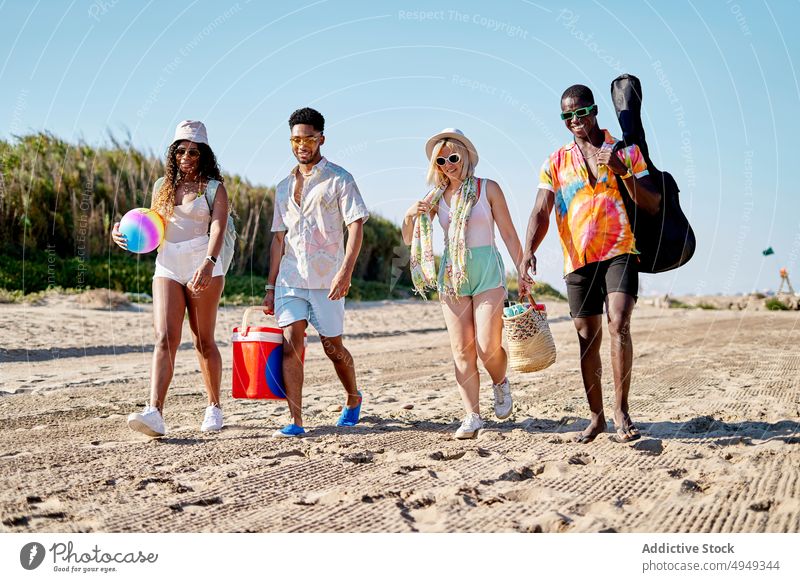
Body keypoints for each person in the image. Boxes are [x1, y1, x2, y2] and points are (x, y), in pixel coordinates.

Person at [520, 85, 661, 444]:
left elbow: (652, 203)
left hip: (619, 250)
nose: (575, 121)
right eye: (567, 116)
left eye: (580, 113)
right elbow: (541, 209)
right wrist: (527, 250)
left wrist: (622, 171)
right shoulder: (555, 161)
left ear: (595, 110)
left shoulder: (625, 151)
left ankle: (621, 411)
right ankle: (596, 417)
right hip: (578, 257)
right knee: (587, 338)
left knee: (619, 323)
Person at [402, 128, 528, 439]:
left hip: (487, 271)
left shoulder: (489, 189)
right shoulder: (435, 199)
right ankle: (472, 415)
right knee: (461, 349)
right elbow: (409, 239)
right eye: (441, 160)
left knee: (486, 348)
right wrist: (408, 216)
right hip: (452, 277)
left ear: (467, 156)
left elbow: (509, 234)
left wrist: (522, 270)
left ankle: (500, 382)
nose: (448, 165)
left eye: (453, 157)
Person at [112, 120, 229, 437]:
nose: (186, 156)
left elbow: (217, 227)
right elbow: (151, 224)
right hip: (167, 264)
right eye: (180, 150)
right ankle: (154, 412)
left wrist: (208, 263)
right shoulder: (162, 186)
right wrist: (121, 230)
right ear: (173, 153)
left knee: (203, 339)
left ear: (203, 153)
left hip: (203, 264)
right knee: (165, 337)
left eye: (193, 151)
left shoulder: (214, 188)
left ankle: (214, 406)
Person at [262, 107, 369, 438]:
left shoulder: (340, 179)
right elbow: (279, 239)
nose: (302, 145)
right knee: (292, 340)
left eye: (308, 138)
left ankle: (353, 397)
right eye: (295, 139)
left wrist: (346, 272)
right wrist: (270, 285)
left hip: (328, 281)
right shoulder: (282, 187)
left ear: (321, 138)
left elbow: (356, 227)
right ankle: (296, 419)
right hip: (291, 280)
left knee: (333, 347)